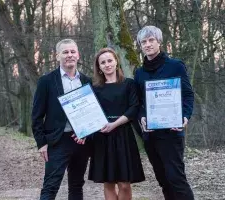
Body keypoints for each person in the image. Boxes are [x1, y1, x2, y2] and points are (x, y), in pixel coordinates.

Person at [134, 25, 195, 200]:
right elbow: (139, 104)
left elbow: (188, 94)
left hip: (172, 133)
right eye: (143, 42)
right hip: (151, 135)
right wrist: (142, 118)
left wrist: (184, 116)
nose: (147, 44)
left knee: (176, 178)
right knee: (163, 180)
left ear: (159, 42)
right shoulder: (139, 73)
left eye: (151, 40)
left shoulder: (175, 66)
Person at [78, 48, 145, 200]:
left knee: (124, 184)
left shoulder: (129, 84)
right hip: (102, 137)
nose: (107, 64)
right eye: (103, 62)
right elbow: (87, 112)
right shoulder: (94, 88)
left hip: (123, 136)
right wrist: (83, 131)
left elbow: (134, 108)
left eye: (109, 60)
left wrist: (114, 124)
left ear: (116, 62)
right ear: (99, 67)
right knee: (108, 182)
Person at [31, 39, 91, 200]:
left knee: (77, 186)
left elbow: (92, 113)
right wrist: (41, 142)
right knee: (50, 186)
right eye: (65, 52)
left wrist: (87, 133)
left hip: (81, 141)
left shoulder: (87, 81)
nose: (69, 55)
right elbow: (36, 115)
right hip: (56, 141)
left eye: (72, 52)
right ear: (58, 56)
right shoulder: (47, 81)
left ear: (78, 55)